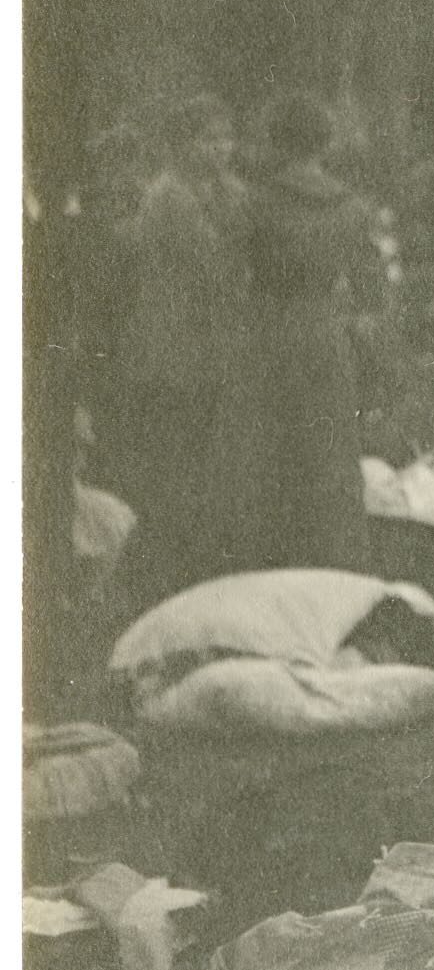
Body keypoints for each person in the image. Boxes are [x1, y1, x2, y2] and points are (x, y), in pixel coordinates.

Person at [229, 94, 383, 573]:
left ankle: (272, 566)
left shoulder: (255, 204)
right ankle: (336, 565)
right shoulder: (351, 207)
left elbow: (231, 278)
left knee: (271, 454)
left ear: (276, 141)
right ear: (325, 141)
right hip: (326, 334)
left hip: (269, 333)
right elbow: (372, 291)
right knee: (331, 454)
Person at [108, 95, 250, 603]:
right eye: (207, 139)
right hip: (171, 349)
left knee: (204, 462)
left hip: (207, 347)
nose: (219, 149)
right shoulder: (170, 198)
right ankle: (164, 578)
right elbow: (215, 266)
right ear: (182, 144)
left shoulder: (221, 191)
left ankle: (194, 566)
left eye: (224, 138)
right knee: (177, 469)